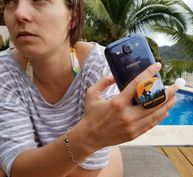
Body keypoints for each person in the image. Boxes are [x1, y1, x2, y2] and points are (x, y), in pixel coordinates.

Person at [0, 0, 179, 177]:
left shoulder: (100, 66)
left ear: (73, 16)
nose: (19, 13)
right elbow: (19, 167)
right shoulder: (5, 69)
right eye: (10, 2)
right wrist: (90, 135)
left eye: (39, 1)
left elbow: (86, 174)